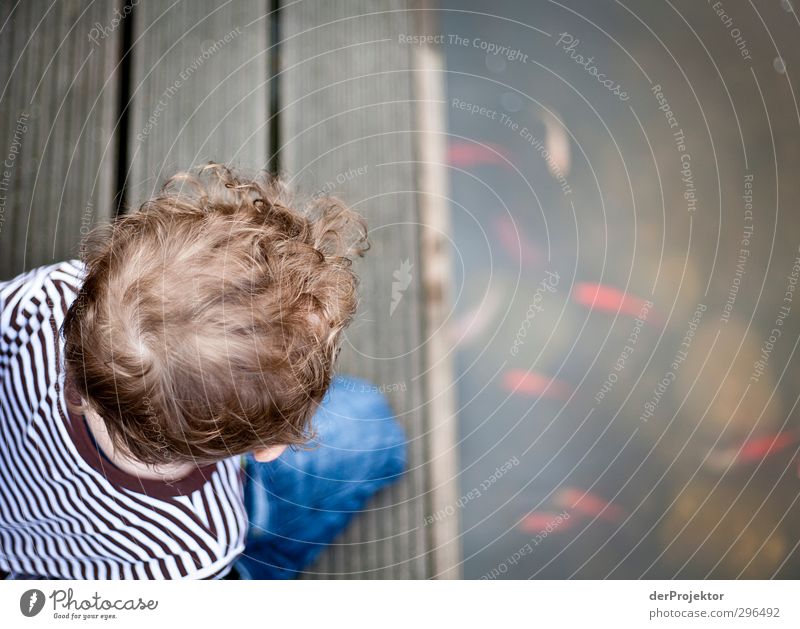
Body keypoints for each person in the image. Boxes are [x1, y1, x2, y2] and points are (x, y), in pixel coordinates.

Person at [0, 164, 406, 579]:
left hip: (36, 557)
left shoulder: (45, 299)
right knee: (369, 425)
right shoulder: (200, 541)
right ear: (269, 446)